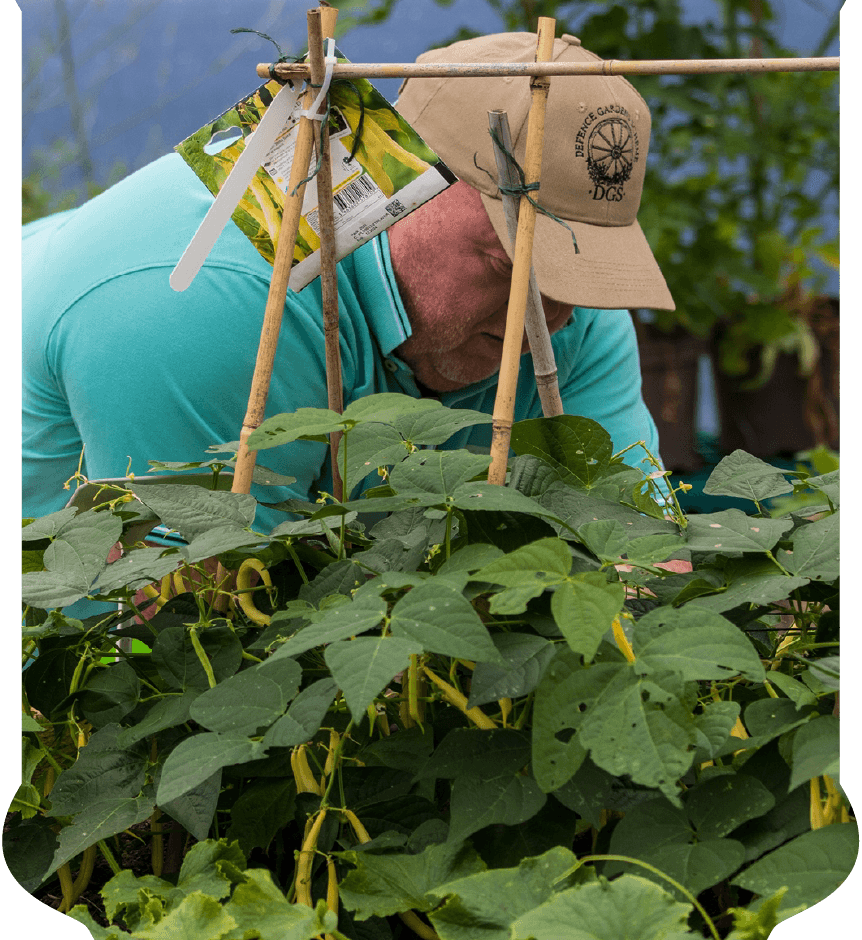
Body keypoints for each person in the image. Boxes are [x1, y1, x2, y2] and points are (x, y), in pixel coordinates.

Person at [22, 31, 680, 621]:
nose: (556, 316)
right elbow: (181, 632)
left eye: (580, 271)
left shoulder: (570, 317)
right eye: (511, 263)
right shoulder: (201, 309)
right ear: (411, 178)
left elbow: (647, 564)